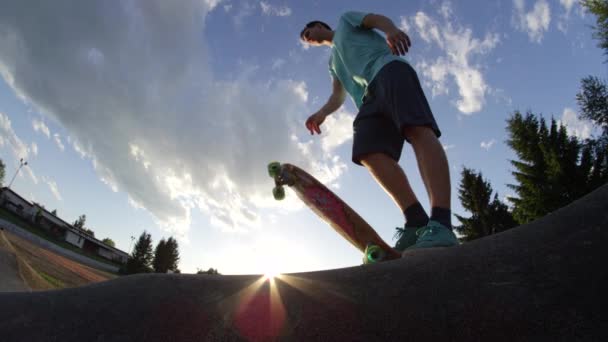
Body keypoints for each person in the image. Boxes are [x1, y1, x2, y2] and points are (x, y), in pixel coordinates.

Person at [300, 12, 458, 252]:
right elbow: (337, 95)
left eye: (307, 33)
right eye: (304, 39)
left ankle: (442, 223)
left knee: (417, 130)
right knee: (367, 151)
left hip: (389, 70)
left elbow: (373, 19)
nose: (307, 38)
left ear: (319, 25)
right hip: (368, 99)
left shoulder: (345, 22)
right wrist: (321, 113)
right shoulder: (333, 62)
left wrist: (391, 30)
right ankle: (416, 221)